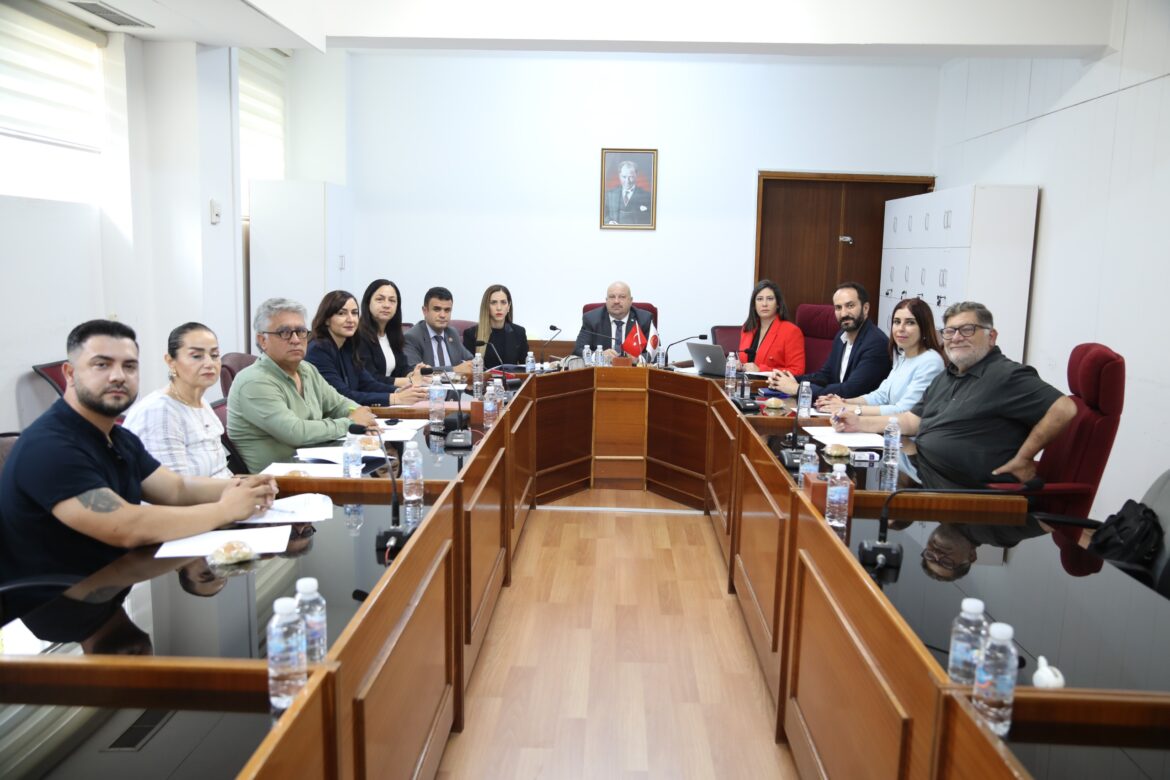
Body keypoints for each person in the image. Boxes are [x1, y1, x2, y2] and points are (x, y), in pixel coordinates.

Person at [0, 320, 277, 589]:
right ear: (70, 374)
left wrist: (244, 485)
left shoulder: (117, 438)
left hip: (111, 582)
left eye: (129, 366)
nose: (119, 376)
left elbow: (176, 488)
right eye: (102, 364)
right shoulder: (51, 446)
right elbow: (125, 526)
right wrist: (225, 509)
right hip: (55, 602)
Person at [835, 301, 1077, 489]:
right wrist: (859, 422)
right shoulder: (949, 374)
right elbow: (912, 420)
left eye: (968, 330)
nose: (957, 337)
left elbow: (1064, 408)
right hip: (921, 469)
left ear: (991, 336)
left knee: (844, 493)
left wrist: (1025, 457)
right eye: (950, 331)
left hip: (961, 489)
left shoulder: (1006, 374)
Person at [228, 298, 379, 473]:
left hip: (315, 465)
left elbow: (339, 403)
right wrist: (350, 423)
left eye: (300, 331)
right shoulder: (254, 381)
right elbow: (295, 432)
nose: (295, 339)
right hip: (281, 482)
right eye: (284, 332)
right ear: (263, 340)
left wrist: (361, 414)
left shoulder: (306, 369)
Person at [122, 322, 232, 479]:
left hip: (223, 498)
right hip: (196, 503)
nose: (209, 363)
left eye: (214, 355)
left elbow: (220, 471)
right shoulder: (160, 412)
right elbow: (175, 492)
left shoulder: (202, 403)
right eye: (196, 356)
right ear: (170, 361)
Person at [815, 297, 945, 421]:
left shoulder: (930, 361)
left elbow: (904, 411)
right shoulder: (903, 356)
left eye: (910, 322)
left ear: (924, 327)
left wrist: (852, 409)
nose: (901, 328)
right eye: (897, 322)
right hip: (890, 430)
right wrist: (843, 401)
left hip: (908, 439)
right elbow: (880, 396)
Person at [767, 282, 890, 400]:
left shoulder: (876, 343)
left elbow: (850, 390)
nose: (844, 313)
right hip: (836, 409)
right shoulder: (841, 336)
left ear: (865, 308)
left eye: (850, 306)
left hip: (861, 415)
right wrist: (788, 379)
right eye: (838, 307)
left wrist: (799, 389)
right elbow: (825, 375)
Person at [305, 290, 428, 407]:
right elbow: (342, 396)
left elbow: (368, 383)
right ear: (326, 320)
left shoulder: (347, 345)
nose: (350, 319)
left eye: (354, 313)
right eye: (341, 313)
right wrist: (395, 398)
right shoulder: (319, 350)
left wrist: (399, 391)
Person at [353, 278, 425, 387]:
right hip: (372, 399)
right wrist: (410, 381)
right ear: (368, 302)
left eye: (392, 300)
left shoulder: (393, 335)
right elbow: (370, 378)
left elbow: (402, 368)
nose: (386, 305)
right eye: (380, 299)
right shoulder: (358, 335)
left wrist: (415, 373)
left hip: (394, 395)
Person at [573, 280, 655, 359]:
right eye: (612, 297)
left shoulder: (644, 319)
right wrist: (599, 355)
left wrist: (638, 359)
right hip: (602, 371)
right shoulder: (592, 319)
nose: (616, 301)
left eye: (622, 297)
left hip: (634, 371)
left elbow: (657, 354)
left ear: (630, 301)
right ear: (606, 301)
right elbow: (578, 351)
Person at [738, 279, 804, 373]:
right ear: (754, 304)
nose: (764, 304)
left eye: (770, 299)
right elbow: (745, 362)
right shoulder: (747, 328)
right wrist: (737, 365)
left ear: (778, 304)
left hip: (770, 386)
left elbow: (798, 371)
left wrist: (761, 370)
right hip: (744, 384)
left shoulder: (791, 331)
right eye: (760, 299)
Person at [402, 286, 475, 370]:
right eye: (437, 309)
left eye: (447, 310)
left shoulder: (452, 333)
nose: (442, 315)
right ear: (425, 311)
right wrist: (455, 370)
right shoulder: (412, 337)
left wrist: (474, 364)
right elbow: (415, 371)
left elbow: (471, 361)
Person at [462, 284, 530, 369]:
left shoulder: (519, 332)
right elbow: (468, 369)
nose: (499, 308)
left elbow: (527, 367)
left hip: (511, 381)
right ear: (486, 306)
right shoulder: (471, 334)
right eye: (493, 302)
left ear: (508, 306)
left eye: (503, 302)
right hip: (484, 381)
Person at [603, 160, 652, 225]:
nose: (627, 181)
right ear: (619, 176)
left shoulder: (647, 196)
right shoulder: (610, 194)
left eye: (631, 177)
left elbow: (650, 220)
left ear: (636, 175)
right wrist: (609, 221)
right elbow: (603, 214)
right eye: (624, 177)